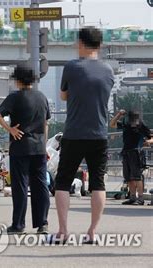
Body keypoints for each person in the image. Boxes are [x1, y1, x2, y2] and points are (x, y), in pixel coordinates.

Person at [54, 27, 114, 243]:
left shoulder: (71, 66)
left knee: (62, 182)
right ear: (100, 45)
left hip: (74, 133)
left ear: (80, 42)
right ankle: (92, 232)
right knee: (98, 183)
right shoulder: (108, 70)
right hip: (99, 134)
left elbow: (63, 95)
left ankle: (63, 231)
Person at [0, 63, 51, 234]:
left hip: (20, 147)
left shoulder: (15, 97)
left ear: (18, 80)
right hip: (39, 147)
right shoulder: (42, 97)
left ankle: (18, 224)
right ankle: (42, 223)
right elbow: (45, 123)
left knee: (20, 186)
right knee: (40, 185)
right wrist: (44, 143)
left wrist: (10, 129)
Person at [110, 110, 151, 205]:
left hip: (136, 152)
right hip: (126, 152)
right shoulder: (126, 125)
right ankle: (132, 197)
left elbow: (150, 136)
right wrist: (119, 114)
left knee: (137, 177)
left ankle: (140, 198)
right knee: (128, 177)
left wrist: (148, 142)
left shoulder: (140, 125)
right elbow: (112, 124)